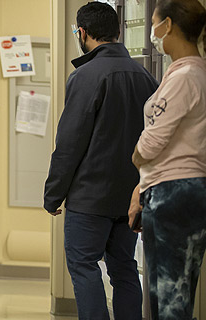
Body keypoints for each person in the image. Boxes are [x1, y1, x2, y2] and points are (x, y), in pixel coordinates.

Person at [43, 3, 158, 319]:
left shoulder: (85, 76)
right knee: (125, 268)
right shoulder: (145, 76)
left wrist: (53, 193)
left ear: (82, 32)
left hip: (89, 198)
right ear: (117, 31)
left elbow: (70, 143)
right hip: (130, 196)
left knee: (83, 265)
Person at [129, 0, 206, 319]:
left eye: (156, 23)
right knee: (165, 292)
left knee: (171, 294)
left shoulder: (186, 76)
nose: (153, 30)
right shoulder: (188, 73)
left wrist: (136, 156)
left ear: (168, 25)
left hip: (175, 193)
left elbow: (153, 141)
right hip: (171, 189)